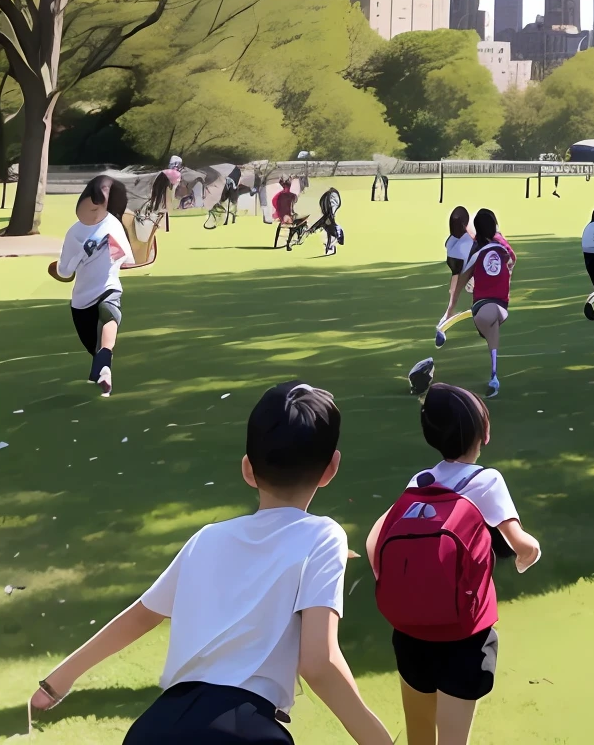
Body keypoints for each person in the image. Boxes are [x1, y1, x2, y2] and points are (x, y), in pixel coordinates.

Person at [29, 381, 391, 744]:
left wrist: (57, 682)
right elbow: (318, 663)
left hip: (154, 728)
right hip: (242, 730)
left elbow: (141, 614)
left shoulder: (207, 538)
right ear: (331, 468)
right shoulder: (323, 537)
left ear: (248, 469)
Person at [366, 382, 540, 745]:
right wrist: (529, 555)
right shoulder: (487, 481)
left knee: (419, 737)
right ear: (484, 431)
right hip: (464, 635)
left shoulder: (419, 482)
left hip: (411, 633)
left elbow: (374, 542)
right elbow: (520, 542)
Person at [49, 174, 148, 396]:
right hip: (96, 295)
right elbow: (128, 259)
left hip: (94, 295)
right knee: (105, 327)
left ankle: (103, 363)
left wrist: (86, 255)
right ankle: (102, 366)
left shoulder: (88, 229)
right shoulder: (99, 228)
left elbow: (65, 271)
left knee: (105, 322)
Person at [461, 209, 514, 396]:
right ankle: (494, 374)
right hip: (500, 303)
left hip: (483, 303)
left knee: (487, 322)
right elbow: (511, 259)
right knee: (491, 326)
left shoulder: (477, 248)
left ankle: (494, 375)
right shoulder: (500, 244)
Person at [436, 207, 476, 343]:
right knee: (453, 304)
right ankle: (444, 324)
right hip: (467, 276)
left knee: (453, 303)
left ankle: (445, 321)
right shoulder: (463, 244)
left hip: (467, 274)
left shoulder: (451, 241)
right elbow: (456, 272)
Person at [271, 177, 298, 248]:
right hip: (287, 217)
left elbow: (275, 203)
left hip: (283, 216)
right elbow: (292, 208)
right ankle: (291, 242)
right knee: (297, 222)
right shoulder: (292, 196)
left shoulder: (279, 196)